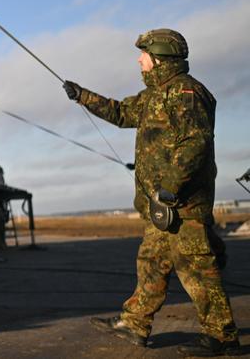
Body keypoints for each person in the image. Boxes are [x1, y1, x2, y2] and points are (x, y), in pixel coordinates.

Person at [63, 29, 239, 356]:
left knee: (197, 270)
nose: (139, 60)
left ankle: (223, 336)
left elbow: (195, 144)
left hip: (182, 205)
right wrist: (82, 96)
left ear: (160, 58)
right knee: (151, 264)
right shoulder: (153, 95)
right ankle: (134, 323)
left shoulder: (186, 92)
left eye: (144, 54)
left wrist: (170, 188)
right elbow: (120, 113)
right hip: (161, 206)